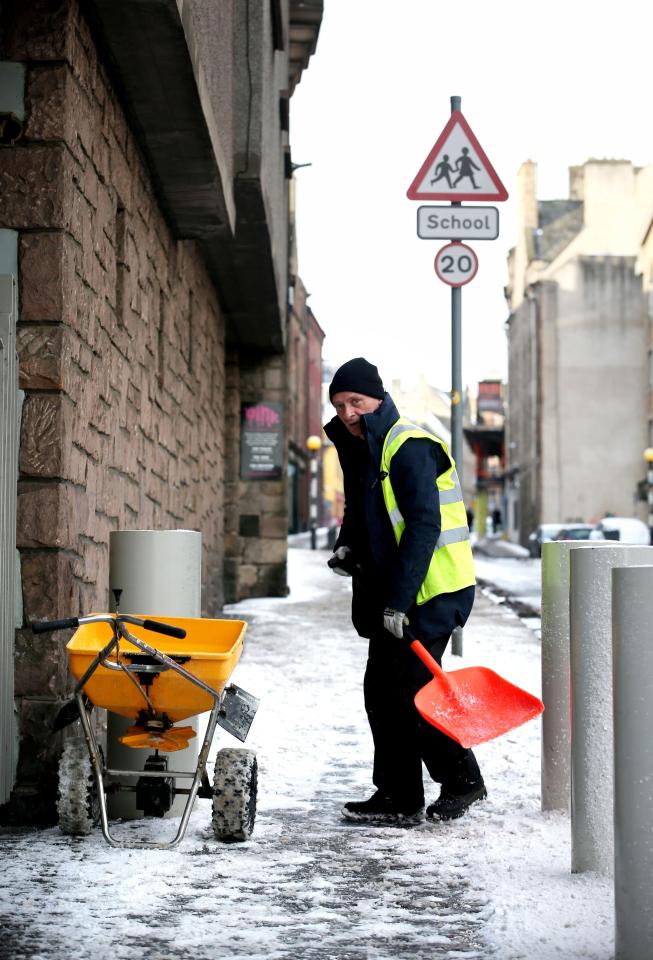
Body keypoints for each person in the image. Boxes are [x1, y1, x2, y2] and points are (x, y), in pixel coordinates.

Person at [324, 357, 486, 825]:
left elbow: (423, 526)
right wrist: (346, 548)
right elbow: (362, 512)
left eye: (356, 401)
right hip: (397, 592)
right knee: (381, 689)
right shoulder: (364, 449)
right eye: (339, 404)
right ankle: (398, 793)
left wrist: (398, 601)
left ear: (378, 399)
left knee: (412, 689)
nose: (348, 412)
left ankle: (463, 780)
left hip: (435, 589)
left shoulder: (410, 446)